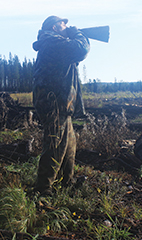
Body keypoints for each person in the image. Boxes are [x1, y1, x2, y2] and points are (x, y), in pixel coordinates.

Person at [32, 15, 90, 196]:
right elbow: (81, 49)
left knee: (69, 144)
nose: (67, 26)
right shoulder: (52, 41)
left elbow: (74, 58)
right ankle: (44, 188)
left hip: (62, 102)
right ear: (55, 27)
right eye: (63, 24)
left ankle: (68, 181)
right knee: (55, 143)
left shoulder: (56, 43)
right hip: (54, 102)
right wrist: (78, 34)